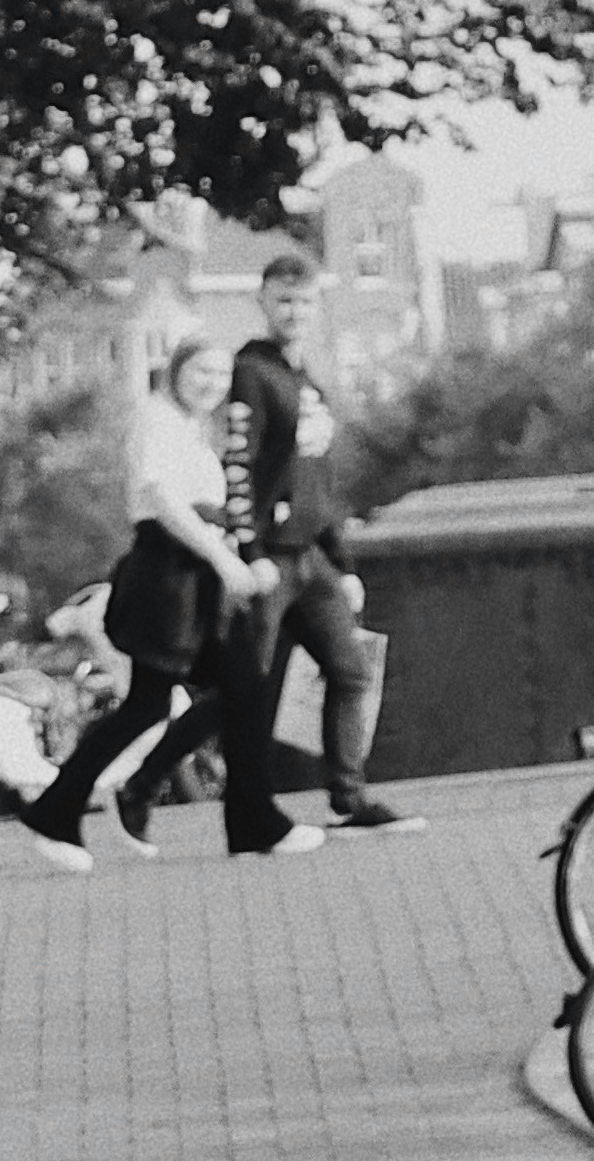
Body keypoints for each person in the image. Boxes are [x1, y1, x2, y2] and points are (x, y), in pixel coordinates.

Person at [21, 331, 305, 865]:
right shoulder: (156, 421)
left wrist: (238, 556)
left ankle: (250, 821)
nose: (211, 385)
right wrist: (225, 562)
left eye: (221, 377)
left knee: (237, 690)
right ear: (175, 370)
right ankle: (60, 811)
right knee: (157, 703)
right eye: (201, 371)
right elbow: (164, 501)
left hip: (196, 577)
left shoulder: (190, 428)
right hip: (168, 578)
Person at [224, 258, 400, 837]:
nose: (294, 312)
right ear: (263, 302)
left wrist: (342, 562)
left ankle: (347, 798)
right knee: (252, 680)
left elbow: (318, 484)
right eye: (283, 301)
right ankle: (238, 806)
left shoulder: (310, 382)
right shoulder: (251, 371)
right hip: (272, 556)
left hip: (312, 555)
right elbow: (240, 466)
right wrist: (250, 552)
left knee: (349, 672)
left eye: (303, 302)